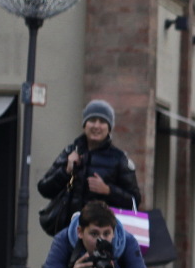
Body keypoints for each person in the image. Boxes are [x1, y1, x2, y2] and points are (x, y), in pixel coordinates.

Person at [37, 100, 142, 233]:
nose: (96, 126)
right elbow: (44, 188)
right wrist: (66, 171)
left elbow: (134, 201)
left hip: (103, 235)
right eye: (92, 120)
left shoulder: (119, 159)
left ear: (109, 127)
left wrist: (108, 190)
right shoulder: (70, 151)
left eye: (102, 121)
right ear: (84, 125)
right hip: (69, 232)